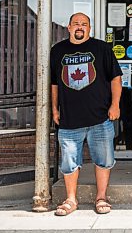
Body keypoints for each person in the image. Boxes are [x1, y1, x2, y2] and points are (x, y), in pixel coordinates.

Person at [50, 12, 122, 216]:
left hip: (100, 118)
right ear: (69, 27)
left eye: (84, 24)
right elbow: (54, 84)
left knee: (104, 160)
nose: (80, 27)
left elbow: (116, 79)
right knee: (69, 162)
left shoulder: (102, 49)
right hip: (69, 120)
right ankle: (71, 199)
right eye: (76, 23)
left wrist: (115, 105)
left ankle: (101, 197)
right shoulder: (58, 51)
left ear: (89, 29)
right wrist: (54, 109)